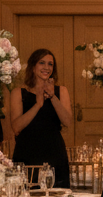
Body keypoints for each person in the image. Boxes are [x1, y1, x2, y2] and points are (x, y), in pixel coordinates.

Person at [8, 49, 73, 189]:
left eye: (50, 64)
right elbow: (16, 127)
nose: (46, 67)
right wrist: (38, 105)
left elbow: (67, 121)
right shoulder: (19, 93)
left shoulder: (61, 91)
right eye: (42, 63)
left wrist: (52, 97)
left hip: (54, 152)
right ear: (33, 66)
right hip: (27, 152)